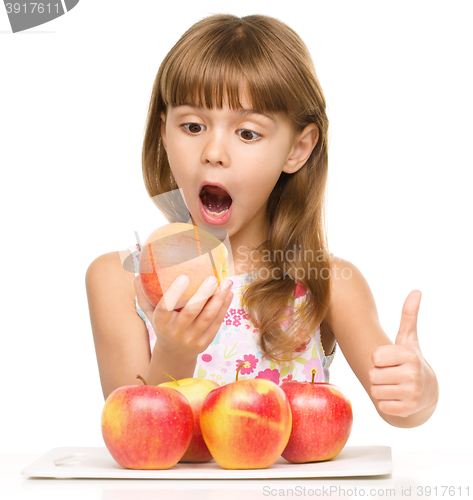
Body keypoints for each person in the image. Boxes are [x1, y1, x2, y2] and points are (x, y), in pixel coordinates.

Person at [85, 13, 438, 428]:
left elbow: (400, 410)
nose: (214, 152)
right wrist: (175, 350)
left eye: (248, 133)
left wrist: (421, 390)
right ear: (164, 134)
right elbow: (134, 434)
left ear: (298, 149)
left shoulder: (327, 282)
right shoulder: (119, 279)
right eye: (193, 126)